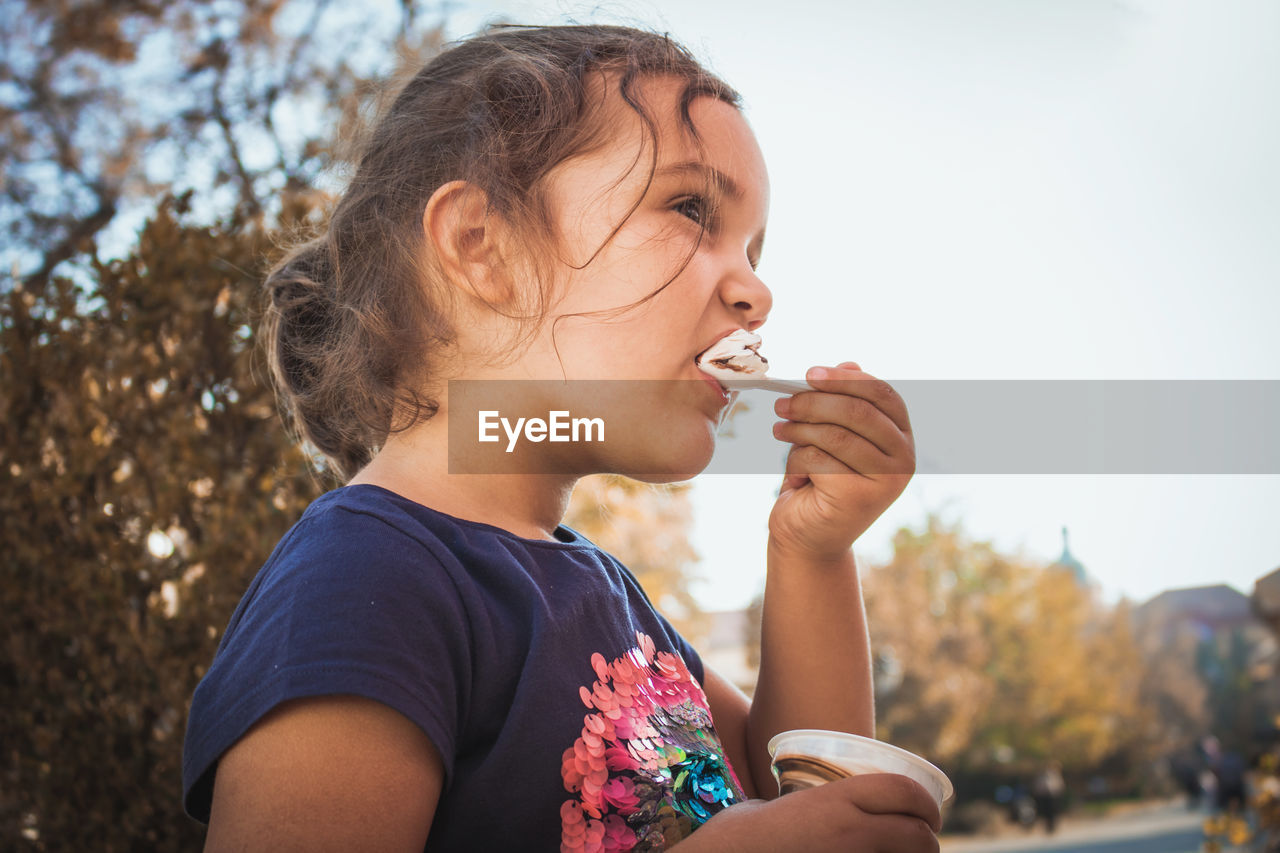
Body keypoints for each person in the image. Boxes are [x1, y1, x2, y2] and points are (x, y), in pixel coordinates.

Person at [182, 24, 933, 852]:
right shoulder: (367, 578)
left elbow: (781, 783)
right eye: (691, 209)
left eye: (754, 249)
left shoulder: (604, 592)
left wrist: (813, 549)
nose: (756, 288)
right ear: (483, 246)